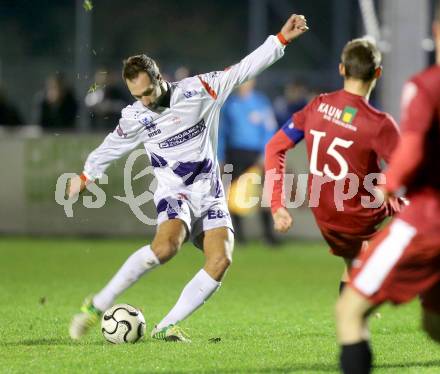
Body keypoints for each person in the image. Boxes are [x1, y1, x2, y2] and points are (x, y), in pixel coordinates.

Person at [67, 14, 308, 342]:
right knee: (166, 248)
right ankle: (97, 305)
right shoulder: (136, 115)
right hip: (173, 192)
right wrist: (87, 174)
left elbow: (243, 69)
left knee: (221, 260)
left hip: (209, 193)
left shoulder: (201, 90)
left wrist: (279, 41)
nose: (146, 101)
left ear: (159, 78)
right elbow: (113, 145)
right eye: (138, 95)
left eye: (148, 91)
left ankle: (166, 325)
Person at [336, 2, 440, 372]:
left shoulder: (427, 85)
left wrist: (389, 183)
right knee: (434, 325)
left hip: (429, 222)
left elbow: (409, 150)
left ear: (435, 33)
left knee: (349, 311)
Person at [265, 38, 402, 293]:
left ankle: (353, 304)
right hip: (360, 215)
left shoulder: (318, 105)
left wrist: (277, 205)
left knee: (357, 261)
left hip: (326, 216)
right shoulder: (379, 123)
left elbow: (274, 147)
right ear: (378, 73)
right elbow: (408, 170)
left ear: (342, 69)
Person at [218, 79, 279, 244]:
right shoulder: (230, 104)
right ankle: (238, 235)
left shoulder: (261, 103)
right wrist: (221, 156)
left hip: (256, 154)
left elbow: (269, 129)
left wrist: (266, 154)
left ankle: (268, 235)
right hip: (235, 153)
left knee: (263, 195)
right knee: (232, 195)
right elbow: (222, 133)